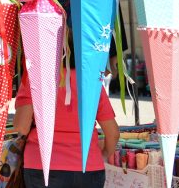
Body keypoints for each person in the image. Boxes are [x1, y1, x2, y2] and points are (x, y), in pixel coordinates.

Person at [13, 29, 119, 188]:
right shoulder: (90, 81)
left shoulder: (36, 76)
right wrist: (103, 154)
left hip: (43, 166)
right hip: (88, 167)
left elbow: (21, 126)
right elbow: (113, 133)